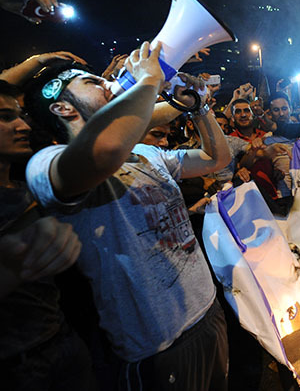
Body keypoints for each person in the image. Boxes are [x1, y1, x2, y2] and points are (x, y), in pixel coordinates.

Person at [23, 42, 232, 390]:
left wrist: (199, 107)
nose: (106, 84)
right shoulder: (45, 164)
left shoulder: (145, 152)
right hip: (157, 346)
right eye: (91, 83)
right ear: (62, 107)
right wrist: (149, 80)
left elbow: (216, 159)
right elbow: (103, 152)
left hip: (207, 314)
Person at [0, 81, 93, 390]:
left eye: (21, 115)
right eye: (5, 116)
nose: (22, 125)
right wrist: (12, 266)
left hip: (61, 340)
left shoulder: (25, 185)